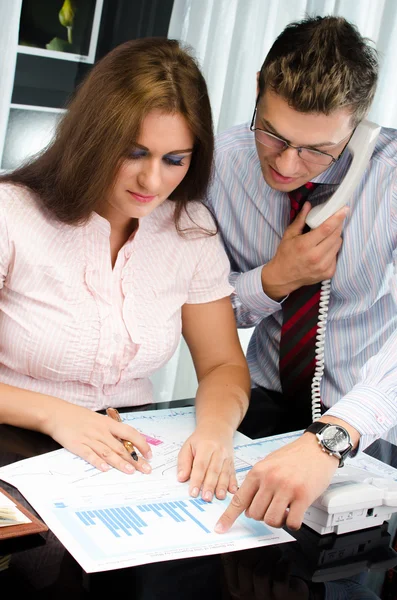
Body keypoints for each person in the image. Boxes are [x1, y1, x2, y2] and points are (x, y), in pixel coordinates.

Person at [0, 37, 250, 505]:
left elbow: (223, 364)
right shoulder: (10, 213)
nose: (152, 181)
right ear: (93, 138)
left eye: (175, 160)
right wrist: (59, 416)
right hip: (14, 455)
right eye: (134, 153)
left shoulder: (190, 227)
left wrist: (216, 433)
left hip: (127, 466)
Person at [209, 15, 397, 534]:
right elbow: (197, 309)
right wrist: (274, 279)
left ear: (358, 126)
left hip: (366, 420)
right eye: (272, 134)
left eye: (317, 149)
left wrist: (336, 434)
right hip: (263, 404)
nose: (288, 165)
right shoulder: (222, 165)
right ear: (257, 91)